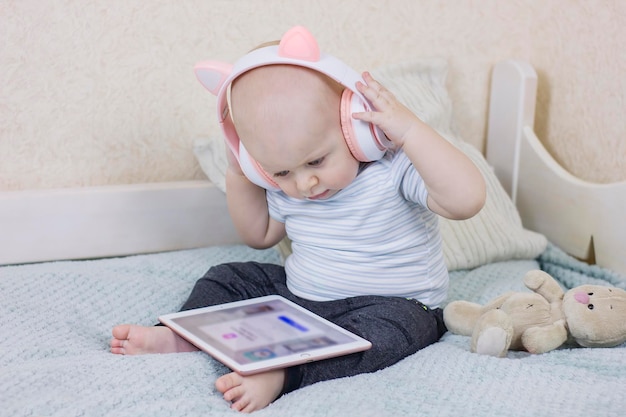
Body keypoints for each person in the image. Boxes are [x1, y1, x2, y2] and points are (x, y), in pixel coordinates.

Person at [111, 45, 486, 413]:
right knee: (227, 276)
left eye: (317, 160)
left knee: (398, 331)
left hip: (389, 304)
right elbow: (258, 236)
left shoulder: (393, 170)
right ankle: (188, 333)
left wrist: (411, 132)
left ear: (355, 126)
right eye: (282, 172)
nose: (305, 183)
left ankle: (287, 373)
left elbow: (466, 199)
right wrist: (239, 174)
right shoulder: (286, 185)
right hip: (299, 301)